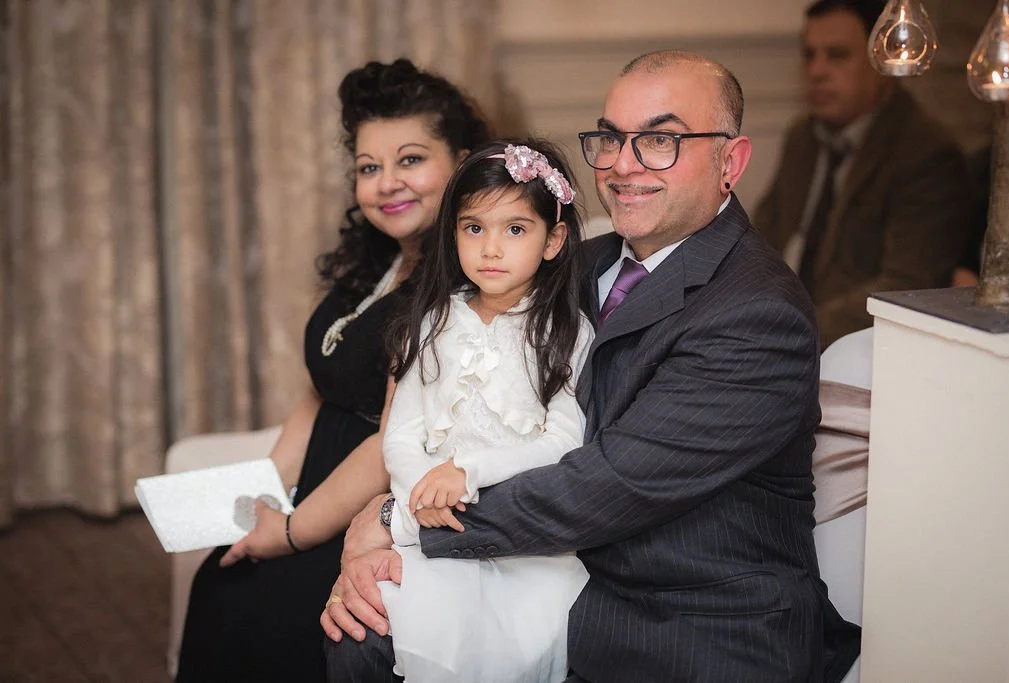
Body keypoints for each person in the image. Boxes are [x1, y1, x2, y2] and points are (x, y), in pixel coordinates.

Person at [322, 50, 860, 683]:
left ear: (730, 162)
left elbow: (606, 487)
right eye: (611, 138)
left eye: (660, 139)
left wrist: (400, 520)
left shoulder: (757, 312)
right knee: (360, 634)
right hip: (559, 583)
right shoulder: (572, 264)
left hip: (693, 627)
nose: (623, 164)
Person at [174, 58, 490, 683]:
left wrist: (290, 532)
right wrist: (265, 487)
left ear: (461, 162)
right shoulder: (376, 264)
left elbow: (390, 438)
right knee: (219, 575)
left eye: (410, 159)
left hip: (372, 507)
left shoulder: (463, 281)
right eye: (369, 168)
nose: (387, 183)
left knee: (262, 613)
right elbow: (321, 392)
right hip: (317, 487)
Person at [368, 139, 594, 682]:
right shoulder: (433, 322)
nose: (491, 249)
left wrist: (466, 473)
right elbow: (401, 434)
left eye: (515, 229)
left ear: (552, 239)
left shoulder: (565, 332)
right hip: (433, 526)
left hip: (525, 544)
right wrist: (422, 489)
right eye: (474, 228)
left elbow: (562, 441)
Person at [754, 0, 972, 348]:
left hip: (854, 350)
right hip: (772, 326)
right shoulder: (803, 137)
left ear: (882, 62)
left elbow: (904, 287)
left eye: (837, 55)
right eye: (809, 55)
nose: (817, 71)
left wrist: (785, 330)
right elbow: (759, 237)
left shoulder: (926, 154)